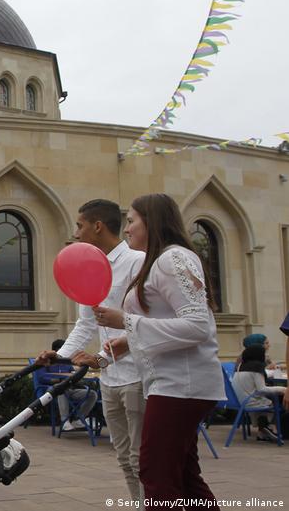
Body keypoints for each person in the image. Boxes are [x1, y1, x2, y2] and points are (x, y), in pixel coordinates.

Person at [95, 193, 225, 511]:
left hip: (182, 385)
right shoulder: (163, 261)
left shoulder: (172, 259)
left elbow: (197, 327)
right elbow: (168, 322)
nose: (127, 229)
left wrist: (125, 321)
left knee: (156, 474)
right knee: (183, 477)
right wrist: (126, 341)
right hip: (173, 385)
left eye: (132, 221)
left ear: (151, 222)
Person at [37, 198, 146, 502]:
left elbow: (145, 323)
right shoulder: (88, 266)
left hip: (138, 375)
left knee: (141, 459)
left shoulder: (137, 262)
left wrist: (104, 356)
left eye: (80, 225)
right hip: (108, 378)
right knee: (124, 458)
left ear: (97, 226)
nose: (76, 232)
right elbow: (85, 325)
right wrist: (59, 355)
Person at [232, 344, 285, 442]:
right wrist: (283, 389)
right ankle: (271, 427)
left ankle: (262, 432)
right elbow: (262, 389)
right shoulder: (257, 367)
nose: (265, 356)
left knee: (268, 397)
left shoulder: (241, 366)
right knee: (275, 400)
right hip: (250, 401)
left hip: (240, 400)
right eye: (264, 353)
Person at [46, 339, 97, 432]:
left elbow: (73, 376)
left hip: (71, 389)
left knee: (92, 394)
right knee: (60, 388)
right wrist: (59, 380)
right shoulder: (47, 362)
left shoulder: (67, 363)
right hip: (53, 391)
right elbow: (42, 378)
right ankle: (65, 421)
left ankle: (78, 419)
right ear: (56, 350)